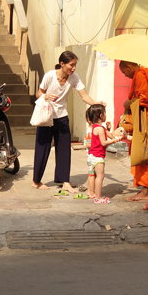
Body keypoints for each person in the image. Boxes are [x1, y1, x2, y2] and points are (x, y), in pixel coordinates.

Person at [33, 51, 105, 194]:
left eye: (75, 65)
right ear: (62, 64)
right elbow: (38, 94)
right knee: (43, 149)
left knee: (65, 150)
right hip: (46, 117)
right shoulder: (49, 76)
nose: (73, 68)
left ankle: (64, 181)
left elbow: (84, 96)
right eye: (71, 65)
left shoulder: (74, 78)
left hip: (62, 117)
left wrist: (96, 103)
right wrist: (46, 95)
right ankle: (36, 181)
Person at [119, 61, 148, 202]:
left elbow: (145, 98)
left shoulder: (141, 75)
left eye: (124, 72)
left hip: (146, 120)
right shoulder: (145, 74)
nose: (125, 75)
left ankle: (145, 193)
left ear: (129, 67)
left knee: (146, 153)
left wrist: (129, 103)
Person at [85, 103, 121, 204]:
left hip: (94, 155)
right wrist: (115, 140)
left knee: (98, 175)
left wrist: (112, 132)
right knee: (100, 176)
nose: (106, 115)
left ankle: (97, 195)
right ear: (101, 116)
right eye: (105, 113)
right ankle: (98, 197)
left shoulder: (98, 128)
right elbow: (104, 142)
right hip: (97, 156)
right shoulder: (100, 129)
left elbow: (108, 136)